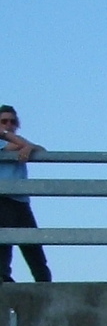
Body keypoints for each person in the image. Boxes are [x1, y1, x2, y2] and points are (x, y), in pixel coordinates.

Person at [0, 106, 50, 283]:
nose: (9, 125)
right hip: (3, 200)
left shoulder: (20, 142)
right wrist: (24, 145)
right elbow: (16, 146)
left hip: (21, 201)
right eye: (4, 121)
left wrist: (29, 147)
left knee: (34, 250)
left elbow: (42, 150)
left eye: (12, 121)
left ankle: (45, 287)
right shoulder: (10, 142)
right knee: (4, 251)